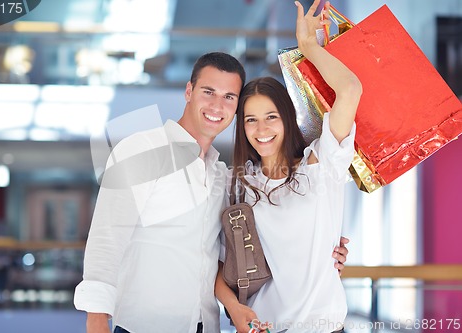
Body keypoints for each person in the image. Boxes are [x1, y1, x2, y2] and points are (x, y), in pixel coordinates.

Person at [74, 53, 349, 332]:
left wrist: (323, 251)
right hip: (143, 325)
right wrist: (97, 318)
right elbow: (106, 238)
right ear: (189, 91)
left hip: (204, 324)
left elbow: (223, 255)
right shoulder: (141, 150)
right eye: (209, 92)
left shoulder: (223, 177)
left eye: (229, 96)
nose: (218, 105)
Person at [214, 1, 362, 333]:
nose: (261, 129)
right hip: (265, 328)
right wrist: (234, 307)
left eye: (271, 117)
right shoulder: (236, 185)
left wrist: (309, 46)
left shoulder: (320, 166)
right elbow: (216, 263)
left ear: (287, 119)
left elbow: (350, 89)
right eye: (251, 120)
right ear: (242, 128)